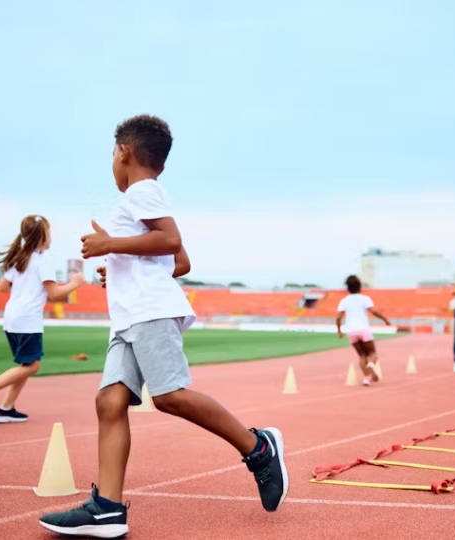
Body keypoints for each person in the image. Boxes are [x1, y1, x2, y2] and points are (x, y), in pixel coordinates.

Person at [39, 114, 287, 538]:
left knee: (170, 396)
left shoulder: (143, 192)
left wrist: (109, 245)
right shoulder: (140, 199)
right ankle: (107, 509)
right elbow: (180, 262)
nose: (112, 162)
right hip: (130, 314)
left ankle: (258, 448)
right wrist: (117, 267)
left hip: (149, 312)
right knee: (109, 403)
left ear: (124, 151)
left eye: (112, 154)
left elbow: (171, 242)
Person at [0, 215, 86, 423]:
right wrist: (76, 283)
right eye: (49, 233)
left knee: (25, 364)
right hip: (28, 320)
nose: (51, 238)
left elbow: (2, 287)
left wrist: (24, 290)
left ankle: (6, 408)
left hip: (12, 317)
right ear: (42, 237)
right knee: (32, 366)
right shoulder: (43, 261)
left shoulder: (21, 258)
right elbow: (55, 293)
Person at [336, 275, 391, 386]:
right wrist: (385, 319)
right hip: (363, 330)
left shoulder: (344, 301)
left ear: (348, 288)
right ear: (359, 287)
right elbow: (374, 312)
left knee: (362, 356)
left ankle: (366, 378)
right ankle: (371, 365)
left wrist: (339, 330)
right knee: (372, 354)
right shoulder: (365, 299)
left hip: (351, 331)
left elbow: (338, 318)